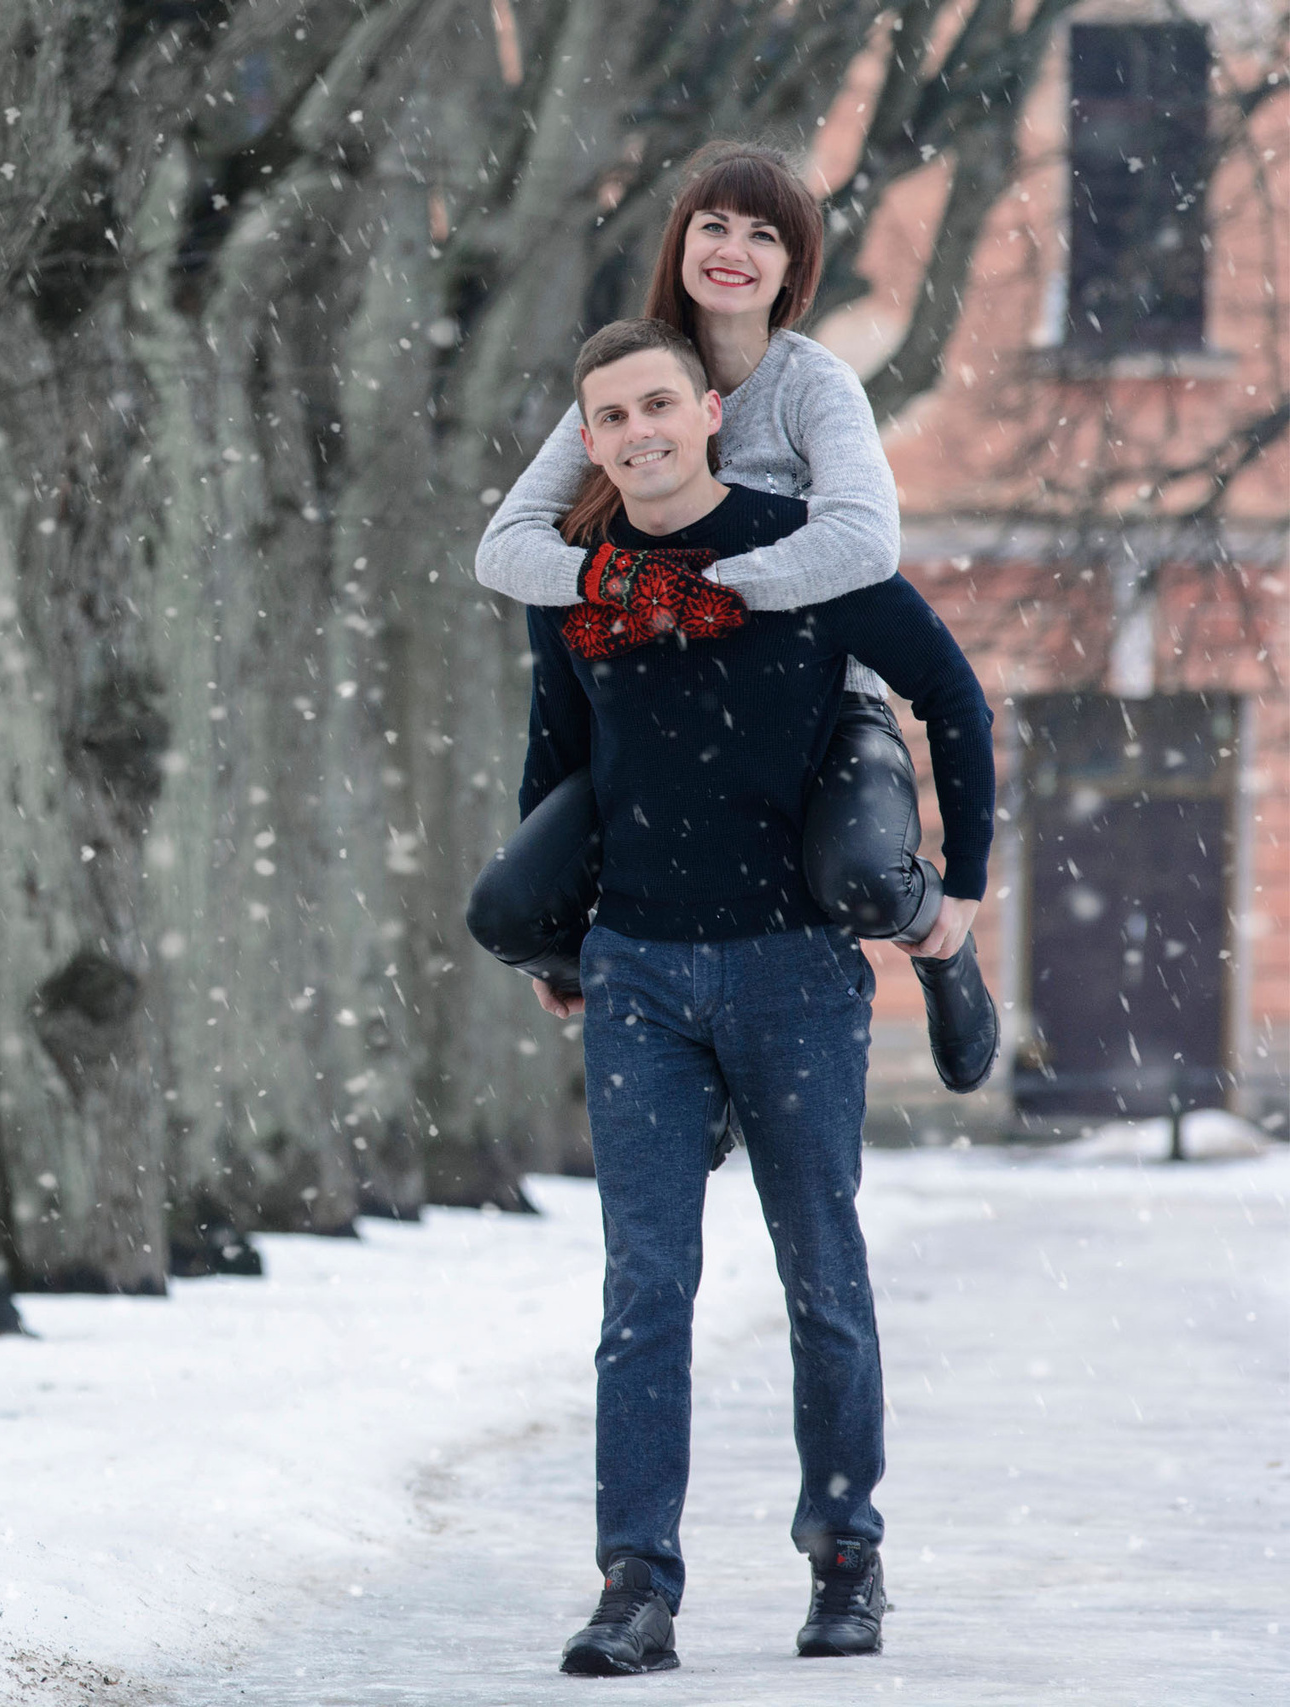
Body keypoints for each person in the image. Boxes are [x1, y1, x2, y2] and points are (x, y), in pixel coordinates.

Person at [521, 317, 993, 1675]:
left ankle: (847, 1553)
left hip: (794, 970)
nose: (638, 432)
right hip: (639, 976)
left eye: (658, 404)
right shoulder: (579, 579)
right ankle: (636, 1582)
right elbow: (551, 767)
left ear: (713, 409)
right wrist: (562, 949)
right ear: (593, 438)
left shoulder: (808, 548)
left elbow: (949, 693)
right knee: (644, 1285)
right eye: (611, 417)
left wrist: (964, 881)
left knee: (821, 1273)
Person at [465, 141, 995, 1094]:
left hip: (817, 703)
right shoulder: (633, 378)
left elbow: (864, 543)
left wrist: (715, 587)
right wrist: (624, 588)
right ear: (681, 240)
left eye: (765, 235)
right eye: (714, 225)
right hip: (658, 709)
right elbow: (508, 549)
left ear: (794, 269)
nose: (733, 249)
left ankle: (938, 941)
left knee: (863, 877)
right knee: (512, 907)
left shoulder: (814, 387)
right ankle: (653, 1047)